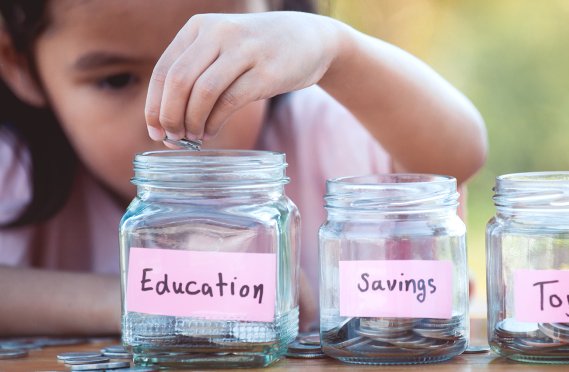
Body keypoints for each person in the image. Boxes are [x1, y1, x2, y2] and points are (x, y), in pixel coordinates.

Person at [0, 0, 487, 336]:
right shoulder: (18, 166)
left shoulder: (324, 127)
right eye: (117, 80)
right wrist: (157, 298)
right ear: (18, 63)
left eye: (221, 69)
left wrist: (336, 50)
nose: (176, 115)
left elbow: (455, 157)